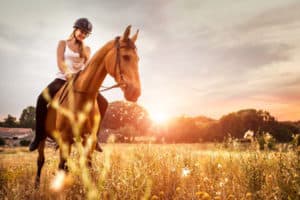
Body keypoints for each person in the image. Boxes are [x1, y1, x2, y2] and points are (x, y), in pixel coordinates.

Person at [29, 18, 108, 152]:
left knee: (104, 103)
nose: (83, 35)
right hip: (62, 79)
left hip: (80, 83)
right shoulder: (62, 43)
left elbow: (88, 68)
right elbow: (60, 61)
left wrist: (89, 80)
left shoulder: (87, 49)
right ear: (75, 29)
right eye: (81, 31)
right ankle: (38, 136)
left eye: (86, 33)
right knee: (41, 99)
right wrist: (67, 73)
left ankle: (95, 137)